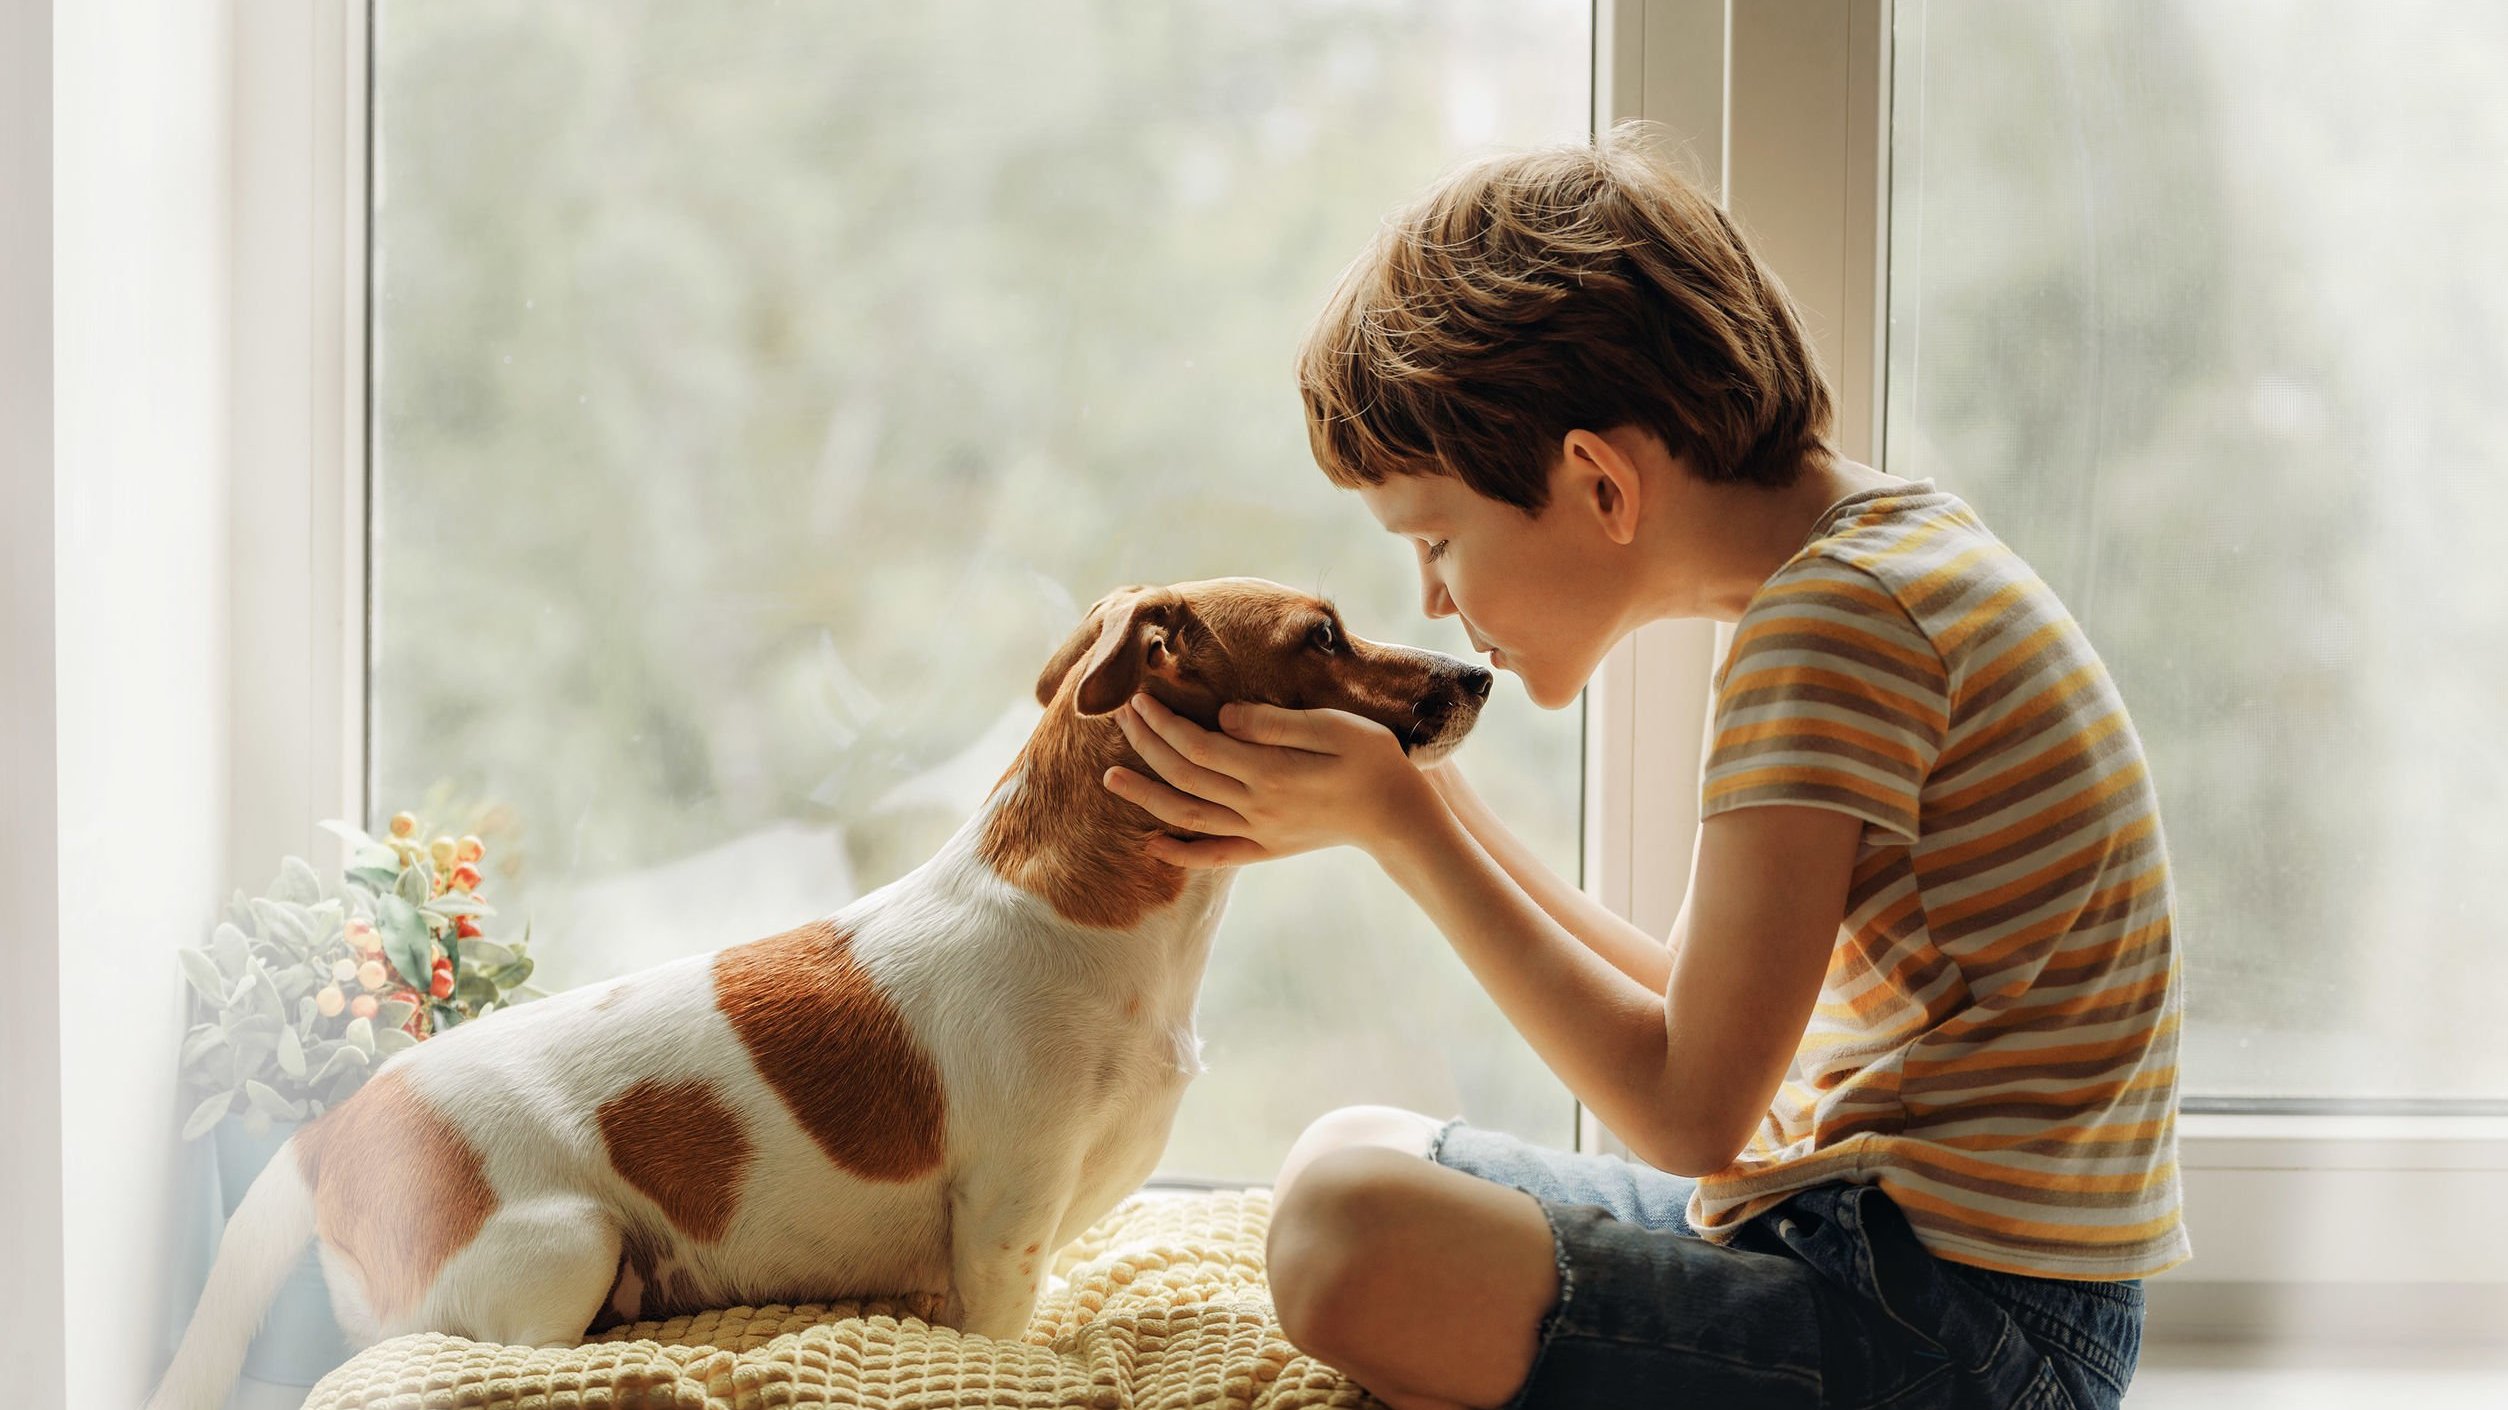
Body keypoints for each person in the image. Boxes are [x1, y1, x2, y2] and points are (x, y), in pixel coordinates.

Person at [1097, 121, 2186, 1410]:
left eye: (1435, 539)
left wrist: (1410, 833)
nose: (1434, 602)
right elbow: (1714, 1020)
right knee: (1354, 1151)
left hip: (1963, 1338)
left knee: (1345, 1226)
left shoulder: (1835, 631)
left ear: (1601, 485)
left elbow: (1690, 1112)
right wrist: (1425, 800)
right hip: (1896, 1258)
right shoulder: (1883, 566)